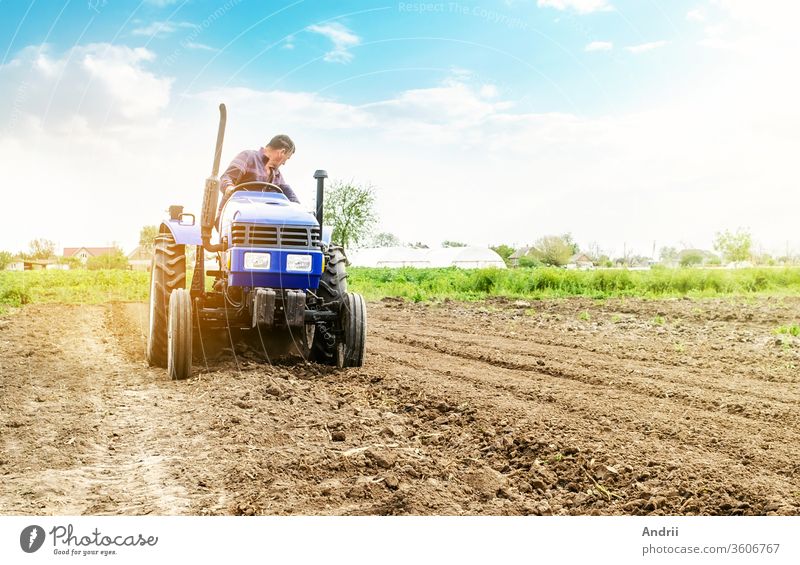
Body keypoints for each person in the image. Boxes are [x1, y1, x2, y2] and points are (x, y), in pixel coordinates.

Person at [216, 134, 300, 221]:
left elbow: (290, 196)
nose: (284, 163)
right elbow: (226, 178)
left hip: (261, 220)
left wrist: (299, 209)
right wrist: (229, 188)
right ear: (282, 152)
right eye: (287, 158)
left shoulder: (277, 174)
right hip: (234, 216)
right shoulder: (248, 156)